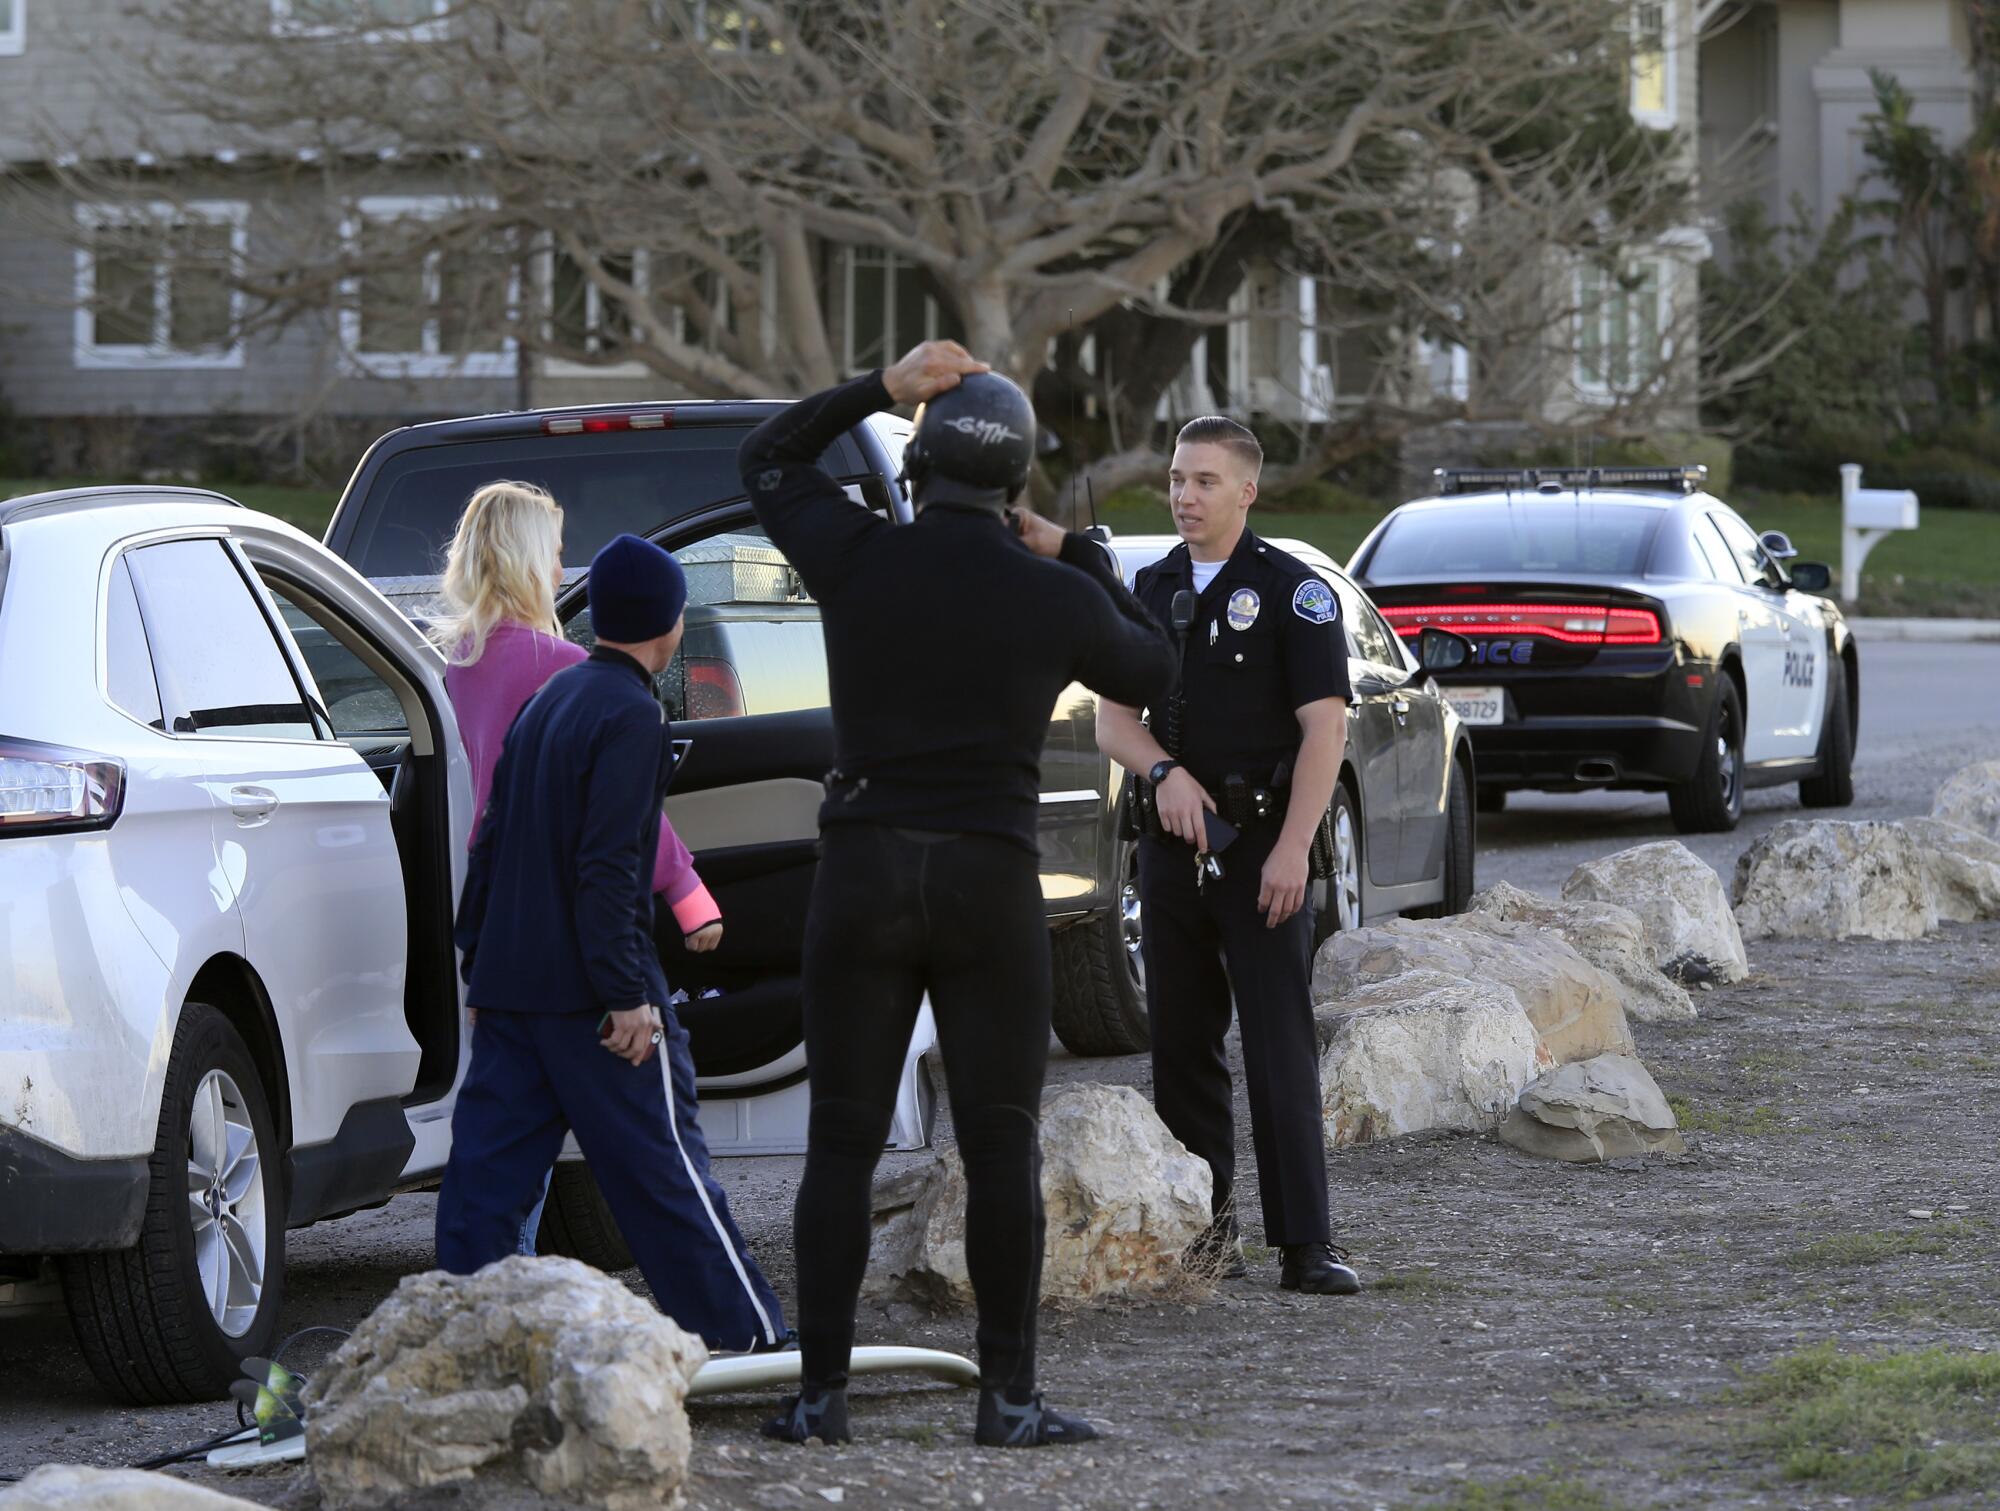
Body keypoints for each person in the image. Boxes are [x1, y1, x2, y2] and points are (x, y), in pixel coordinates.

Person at [739, 341, 1173, 1448]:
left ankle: (820, 1396)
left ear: (917, 461)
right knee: (999, 1145)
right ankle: (1008, 1399)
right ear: (1015, 485)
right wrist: (1077, 550)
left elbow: (767, 457)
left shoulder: (855, 555)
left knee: (838, 1142)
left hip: (866, 864)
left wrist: (880, 388)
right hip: (988, 875)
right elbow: (1156, 667)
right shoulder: (1049, 595)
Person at [435, 532, 786, 1353]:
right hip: (595, 1000)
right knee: (663, 1172)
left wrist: (478, 965)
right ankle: (746, 1339)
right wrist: (626, 993)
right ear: (669, 628)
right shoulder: (630, 713)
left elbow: (489, 845)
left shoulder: (550, 701)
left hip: (512, 988)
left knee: (484, 1183)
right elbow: (609, 867)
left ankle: (455, 1339)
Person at [1095, 416, 1362, 1298]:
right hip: (1173, 850)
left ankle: (1305, 1244)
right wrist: (1163, 772)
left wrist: (1293, 849)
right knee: (1181, 1043)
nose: (1184, 495)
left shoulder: (1293, 591)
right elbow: (1112, 721)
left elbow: (1326, 728)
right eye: (1176, 478)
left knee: (1279, 1044)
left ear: (1246, 491)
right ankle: (1205, 1236)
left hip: (1262, 850)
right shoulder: (1147, 586)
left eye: (1204, 481)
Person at [430, 480, 724, 1257]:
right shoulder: (565, 666)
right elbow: (622, 818)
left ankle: (488, 1287)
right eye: (558, 553)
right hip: (570, 914)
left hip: (491, 910)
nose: (564, 569)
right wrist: (688, 891)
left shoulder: (450, 664)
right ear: (530, 562)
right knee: (632, 1120)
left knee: (501, 1134)